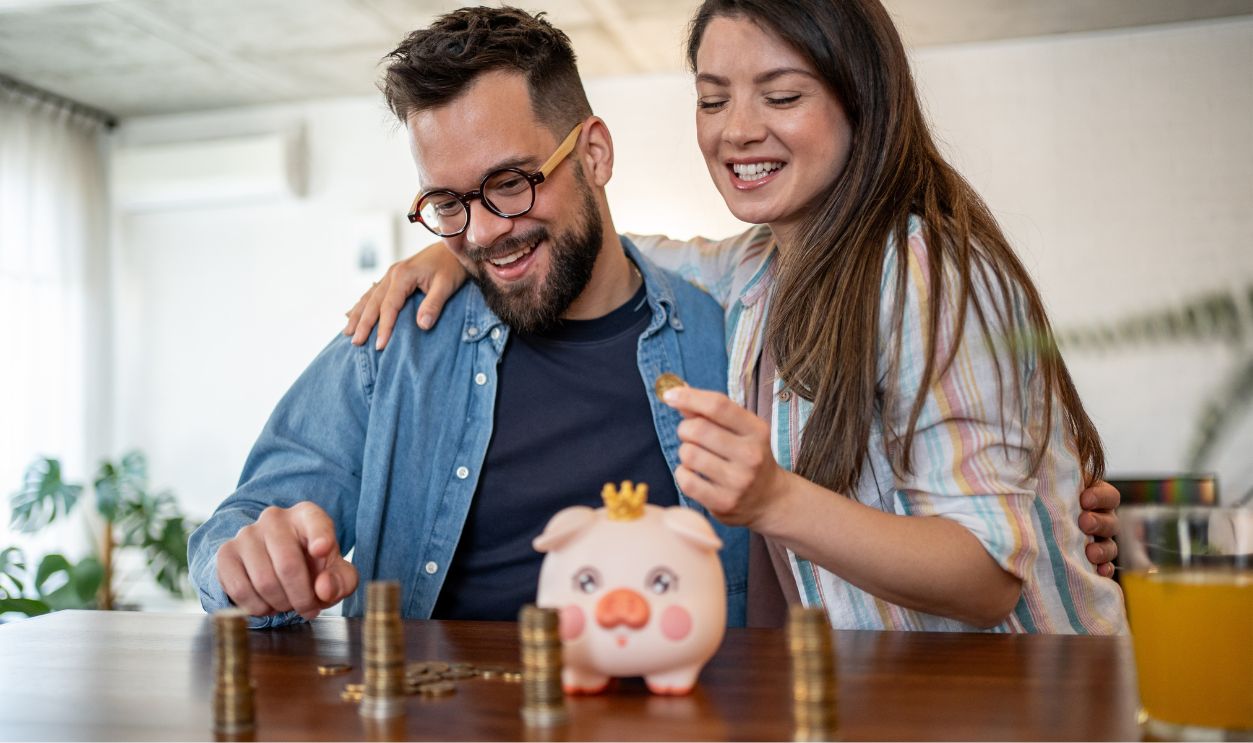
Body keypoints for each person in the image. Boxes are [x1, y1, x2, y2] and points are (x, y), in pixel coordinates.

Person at [344, 0, 1126, 632]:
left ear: (864, 101)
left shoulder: (924, 268)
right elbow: (622, 254)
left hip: (1023, 704)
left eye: (781, 95)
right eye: (712, 98)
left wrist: (774, 500)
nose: (737, 129)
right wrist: (475, 237)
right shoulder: (755, 268)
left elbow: (988, 573)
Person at [187, 7, 750, 628]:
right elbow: (239, 525)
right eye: (447, 202)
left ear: (594, 154)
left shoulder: (725, 339)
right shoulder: (395, 340)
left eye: (510, 183)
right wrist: (249, 564)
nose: (481, 234)